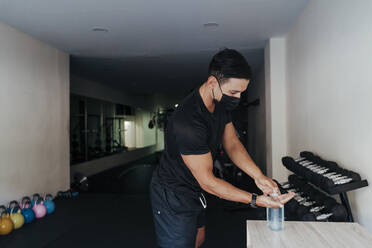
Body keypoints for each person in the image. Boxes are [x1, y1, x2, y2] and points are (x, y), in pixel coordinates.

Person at [150, 48, 294, 248]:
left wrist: (258, 176)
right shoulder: (188, 121)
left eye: (242, 92)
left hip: (195, 190)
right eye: (234, 92)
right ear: (212, 83)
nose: (238, 98)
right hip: (174, 194)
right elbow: (208, 182)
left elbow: (232, 143)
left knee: (198, 239)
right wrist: (255, 199)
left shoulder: (221, 104)